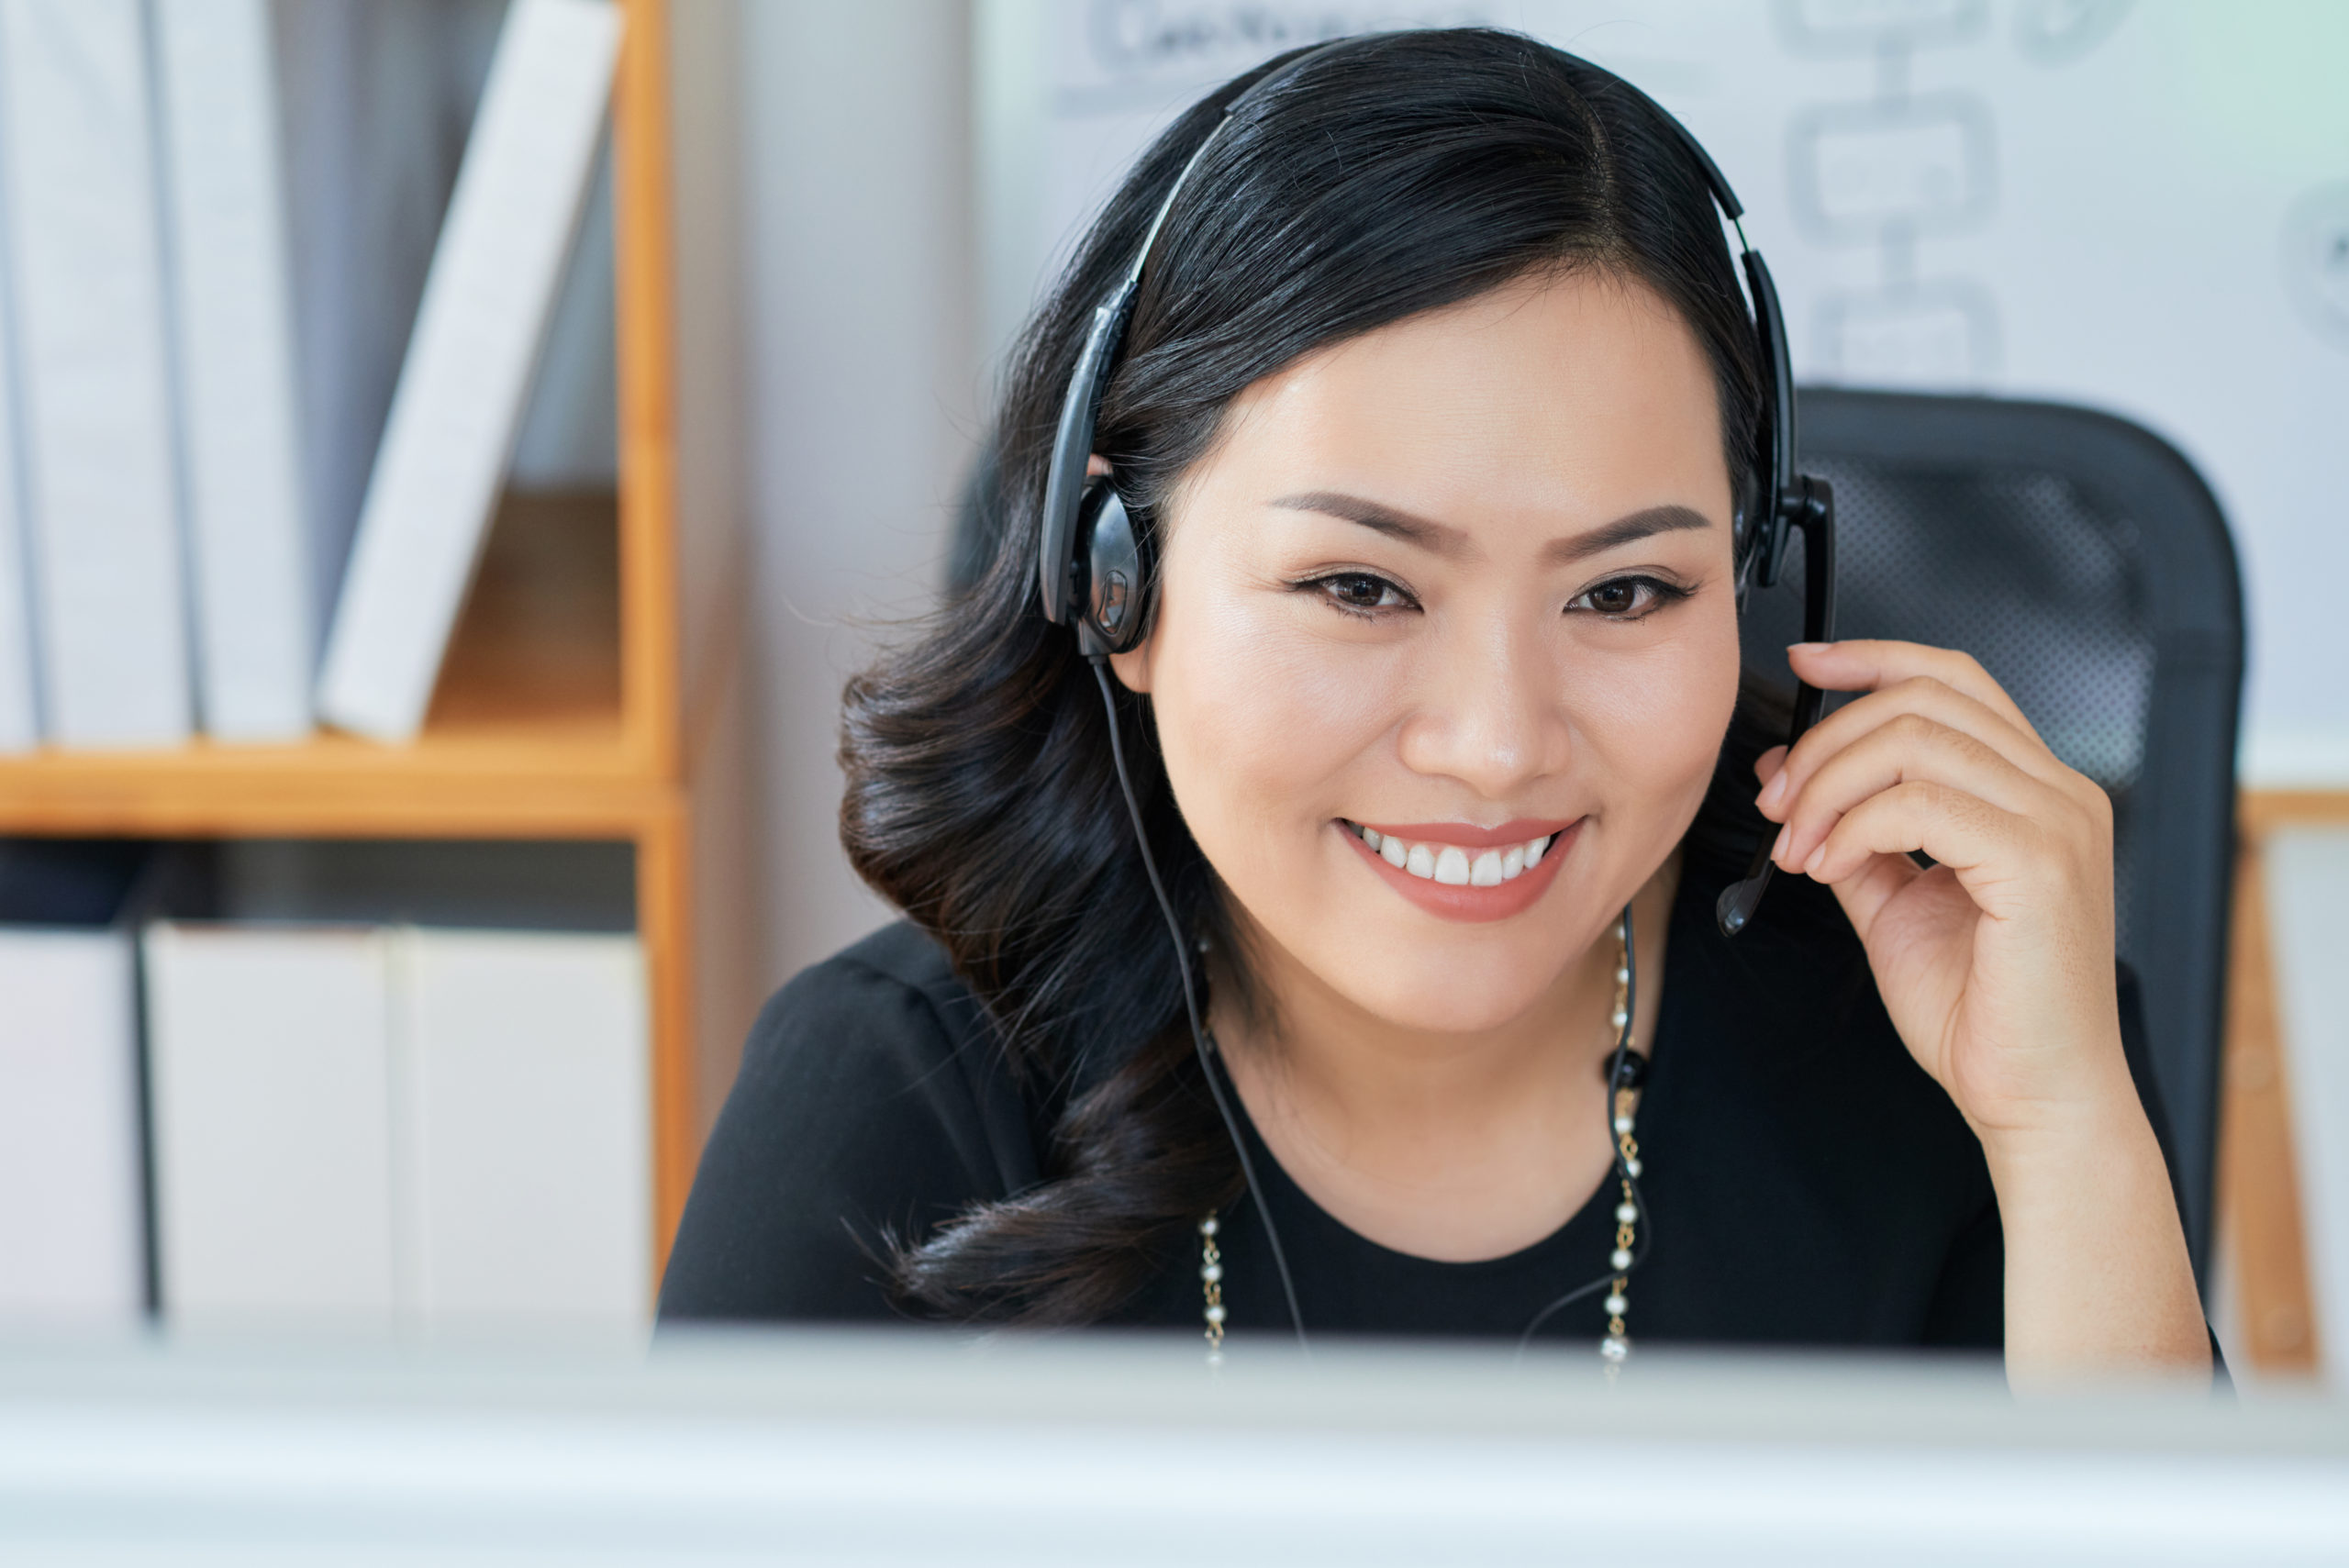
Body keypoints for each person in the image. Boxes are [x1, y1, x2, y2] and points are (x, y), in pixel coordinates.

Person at [660, 28, 2217, 1385]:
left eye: (1622, 593)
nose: (1495, 744)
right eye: (1361, 586)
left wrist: (2064, 1128)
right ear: (1116, 579)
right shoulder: (891, 1112)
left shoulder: (1957, 1047)